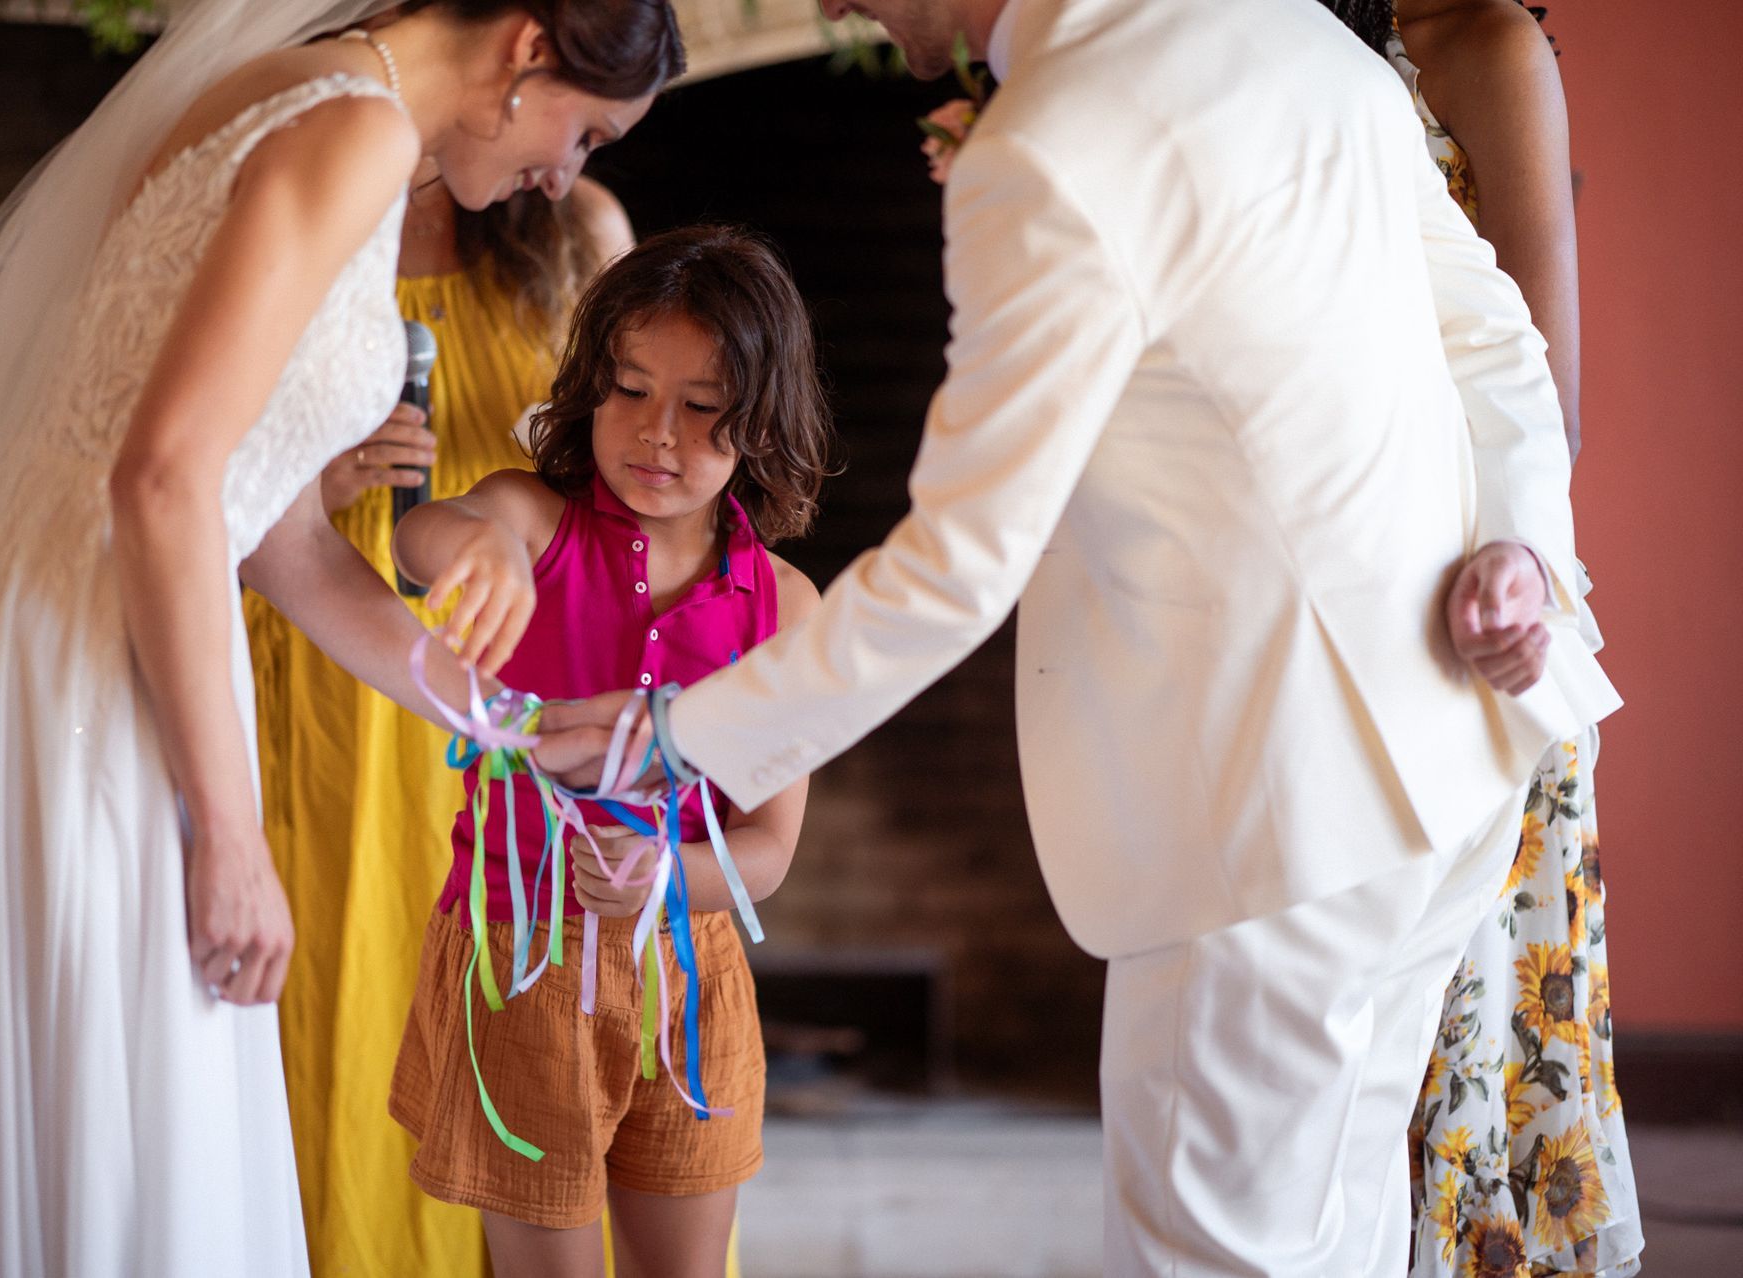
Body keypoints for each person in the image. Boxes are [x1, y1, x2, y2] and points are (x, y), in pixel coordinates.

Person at [529, 0, 1624, 1272]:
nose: (836, 8)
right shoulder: (1294, 33)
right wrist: (1522, 550)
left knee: (1212, 1256)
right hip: (1447, 759)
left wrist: (677, 733)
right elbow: (1495, 339)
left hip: (1269, 804)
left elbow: (957, 564)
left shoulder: (1049, 143)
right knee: (1343, 1239)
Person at [0, 1, 681, 1272]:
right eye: (587, 129)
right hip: (87, 656)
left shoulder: (306, 102)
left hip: (115, 627)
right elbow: (162, 484)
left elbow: (278, 537)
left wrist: (507, 722)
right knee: (115, 1116)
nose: (571, 173)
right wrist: (232, 837)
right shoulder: (351, 135)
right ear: (525, 48)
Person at [388, 225, 829, 1278]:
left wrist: (668, 878)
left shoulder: (789, 609)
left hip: (695, 974)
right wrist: (478, 544)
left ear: (761, 424)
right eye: (629, 389)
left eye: (702, 406)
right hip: (520, 966)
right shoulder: (530, 524)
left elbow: (768, 848)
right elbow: (423, 542)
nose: (655, 433)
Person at [245, 177, 631, 1277]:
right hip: (340, 702)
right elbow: (194, 494)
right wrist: (305, 479)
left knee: (533, 1048)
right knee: (354, 1019)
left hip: (521, 694)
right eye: (582, 122)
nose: (568, 161)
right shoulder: (306, 211)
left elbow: (645, 474)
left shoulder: (578, 230)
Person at [1317, 2, 1642, 1272]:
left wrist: (1482, 581)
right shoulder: (1297, 31)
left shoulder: (1485, 40)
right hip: (1328, 610)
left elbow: (1545, 393)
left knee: (1461, 1038)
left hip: (1469, 609)